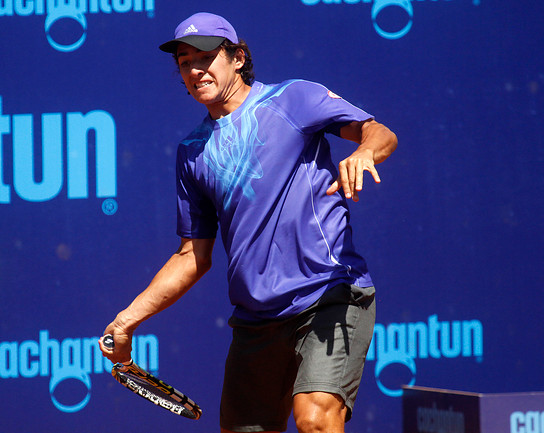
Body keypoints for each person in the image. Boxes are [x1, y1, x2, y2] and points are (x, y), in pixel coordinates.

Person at [100, 12, 398, 433]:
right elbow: (192, 256)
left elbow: (379, 132)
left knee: (315, 419)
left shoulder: (294, 99)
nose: (195, 69)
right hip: (257, 321)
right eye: (185, 62)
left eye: (205, 56)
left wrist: (365, 152)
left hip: (329, 293)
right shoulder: (192, 153)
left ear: (238, 57)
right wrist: (127, 319)